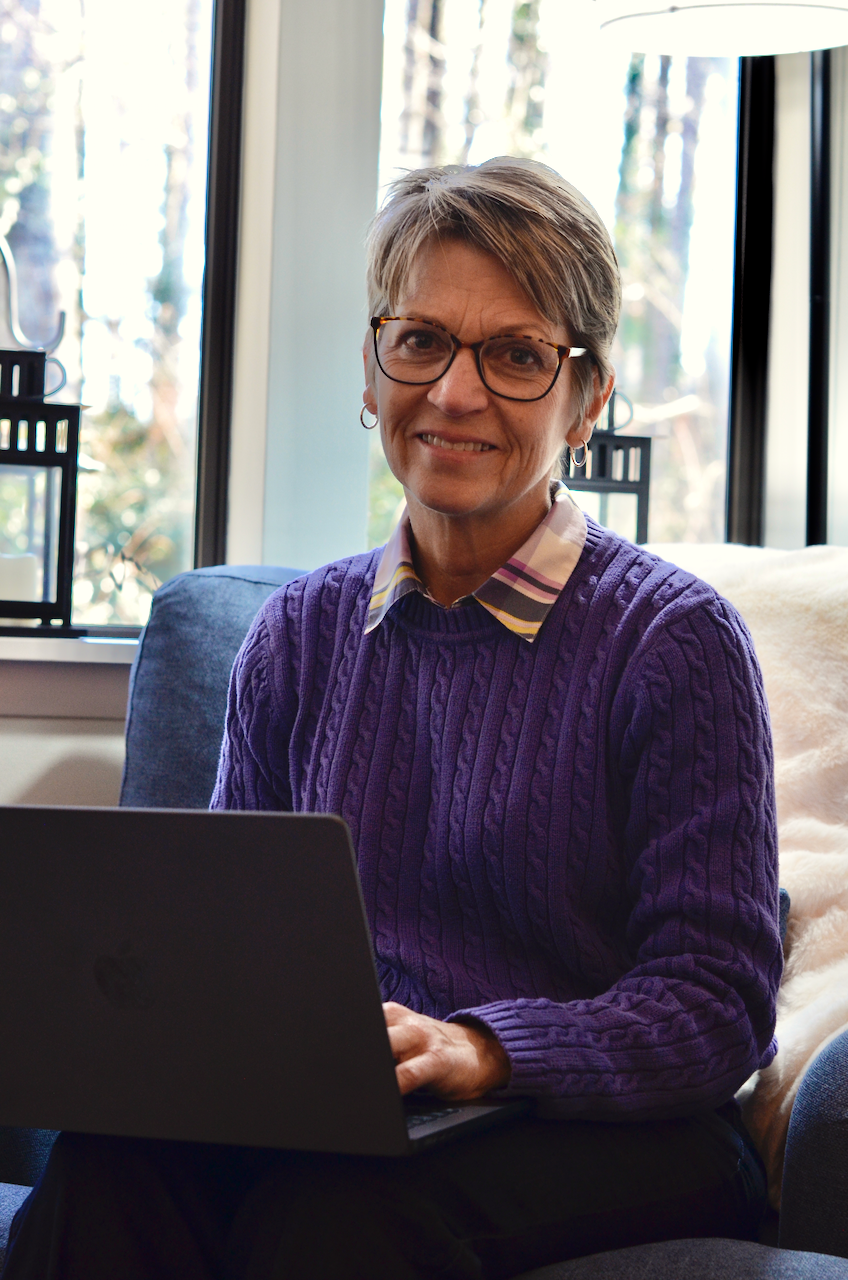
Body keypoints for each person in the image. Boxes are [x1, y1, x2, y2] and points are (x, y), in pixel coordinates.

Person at [2, 157, 781, 1280]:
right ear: (372, 374)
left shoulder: (673, 643)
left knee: (333, 1221)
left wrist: (484, 1049)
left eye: (515, 356)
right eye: (418, 342)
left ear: (588, 396)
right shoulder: (296, 636)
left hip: (611, 1123)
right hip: (348, 1110)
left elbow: (716, 1009)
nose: (454, 394)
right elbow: (218, 960)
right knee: (102, 1171)